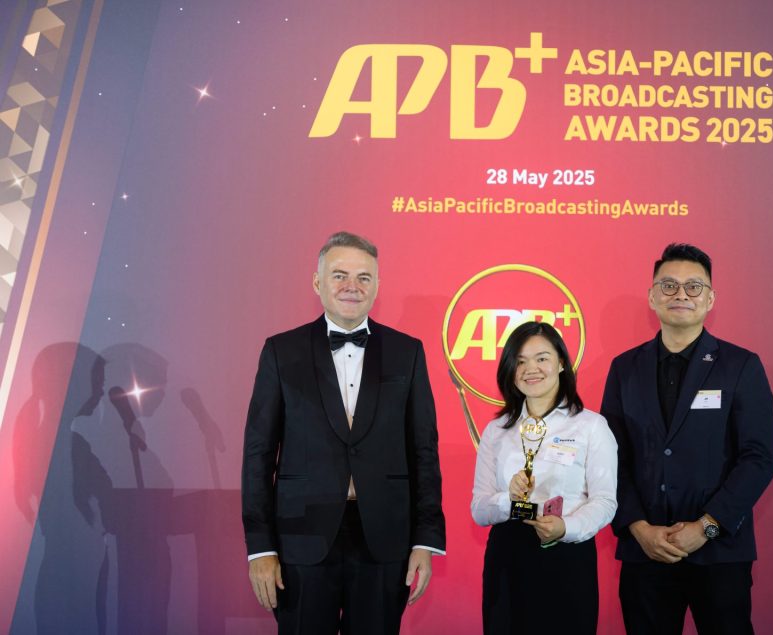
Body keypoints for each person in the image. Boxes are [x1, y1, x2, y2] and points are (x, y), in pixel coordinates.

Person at [242, 231, 445, 634]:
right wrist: (260, 547)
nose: (352, 286)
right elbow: (258, 455)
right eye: (339, 275)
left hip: (384, 540)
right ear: (317, 283)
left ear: (377, 286)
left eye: (364, 277)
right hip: (301, 538)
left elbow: (423, 449)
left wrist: (425, 540)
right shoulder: (281, 351)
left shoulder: (408, 351)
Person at [601, 243, 773, 635]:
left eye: (693, 286)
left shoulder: (741, 366)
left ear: (710, 299)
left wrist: (707, 526)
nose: (680, 294)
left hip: (719, 552)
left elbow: (759, 457)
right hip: (645, 552)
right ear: (652, 296)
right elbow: (611, 458)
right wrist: (638, 527)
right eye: (669, 285)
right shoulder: (624, 368)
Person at [471, 321, 617, 635]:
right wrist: (508, 499)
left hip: (566, 555)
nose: (531, 369)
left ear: (561, 362)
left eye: (542, 358)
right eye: (520, 361)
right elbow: (479, 510)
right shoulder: (497, 430)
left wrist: (566, 527)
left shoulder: (591, 426)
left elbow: (605, 501)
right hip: (508, 555)